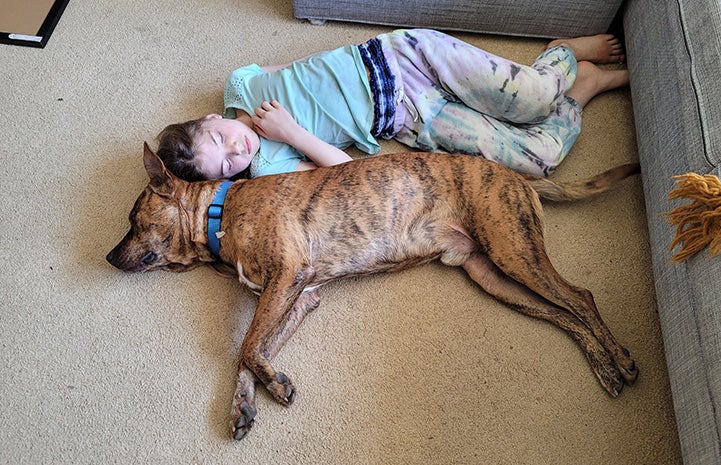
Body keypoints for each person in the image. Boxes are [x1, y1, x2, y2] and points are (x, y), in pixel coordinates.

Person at [155, 29, 628, 181]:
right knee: (539, 160)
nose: (236, 151)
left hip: (402, 58)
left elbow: (297, 65)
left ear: (212, 117)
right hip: (411, 118)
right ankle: (583, 87)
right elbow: (345, 172)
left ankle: (561, 54)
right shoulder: (269, 166)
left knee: (533, 99)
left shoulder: (239, 84)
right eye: (226, 167)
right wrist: (290, 133)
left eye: (221, 139)